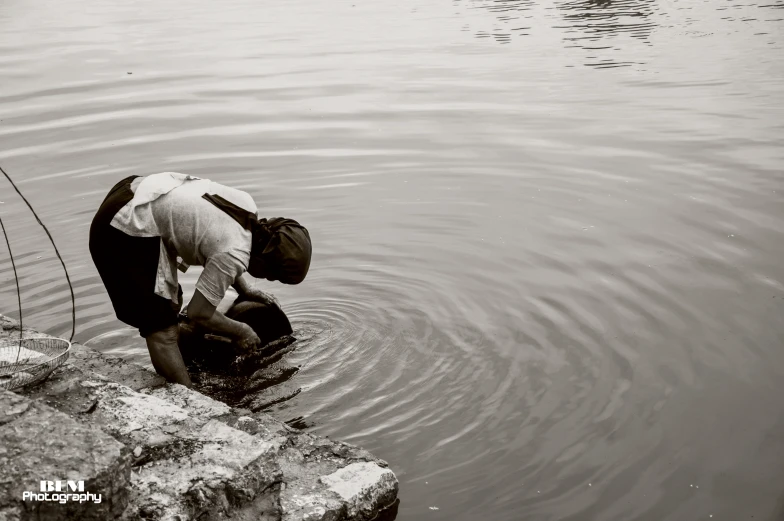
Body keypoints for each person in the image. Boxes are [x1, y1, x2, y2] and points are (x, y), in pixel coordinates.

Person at [89, 172, 311, 387]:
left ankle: (176, 368)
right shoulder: (233, 252)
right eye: (270, 275)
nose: (265, 278)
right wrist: (241, 331)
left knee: (171, 304)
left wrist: (245, 289)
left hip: (134, 191)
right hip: (125, 226)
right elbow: (199, 312)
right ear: (264, 263)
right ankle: (190, 401)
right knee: (160, 328)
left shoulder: (246, 207)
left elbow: (216, 241)